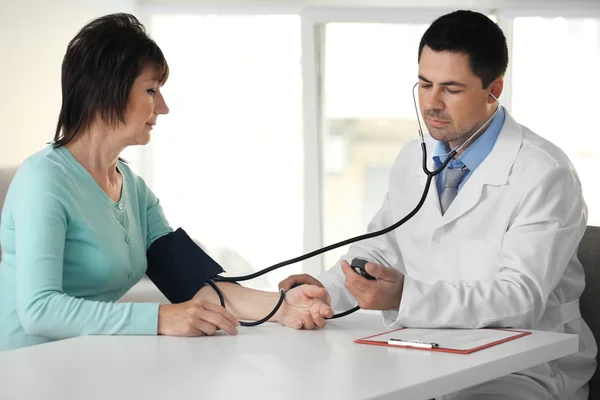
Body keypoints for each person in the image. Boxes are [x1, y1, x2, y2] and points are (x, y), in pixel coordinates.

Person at [279, 10, 596, 399]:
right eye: (425, 84)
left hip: (521, 366)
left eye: (452, 89)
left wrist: (404, 297)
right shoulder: (415, 157)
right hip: (422, 350)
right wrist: (328, 290)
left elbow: (519, 300)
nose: (432, 103)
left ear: (494, 89)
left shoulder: (544, 173)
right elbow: (381, 248)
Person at [0, 13, 333, 352]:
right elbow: (38, 311)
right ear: (104, 92)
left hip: (88, 360)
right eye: (151, 90)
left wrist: (283, 306)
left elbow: (189, 284)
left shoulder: (133, 189)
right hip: (25, 369)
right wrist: (159, 318)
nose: (163, 106)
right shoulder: (44, 180)